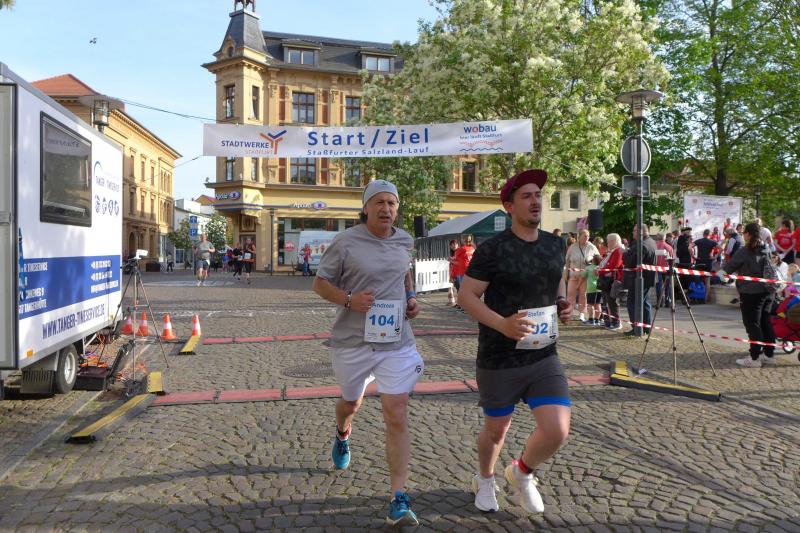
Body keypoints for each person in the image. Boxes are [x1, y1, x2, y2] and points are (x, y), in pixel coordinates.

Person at [458, 169, 572, 515]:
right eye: (526, 196)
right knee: (496, 431)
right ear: (509, 206)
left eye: (538, 195)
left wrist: (562, 303)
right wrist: (502, 325)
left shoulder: (555, 244)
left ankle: (521, 472)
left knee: (557, 430)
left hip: (543, 354)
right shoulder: (493, 249)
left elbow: (556, 279)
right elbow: (466, 296)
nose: (535, 201)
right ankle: (485, 478)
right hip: (500, 356)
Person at [312, 179, 423, 526]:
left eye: (392, 203)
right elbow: (320, 283)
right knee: (351, 403)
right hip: (353, 341)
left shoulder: (405, 240)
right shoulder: (345, 242)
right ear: (365, 208)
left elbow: (405, 274)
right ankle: (343, 433)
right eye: (379, 202)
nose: (386, 208)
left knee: (396, 411)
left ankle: (398, 498)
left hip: (395, 340)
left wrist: (410, 298)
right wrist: (349, 300)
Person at [719, 222, 777, 367]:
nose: (743, 235)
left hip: (751, 292)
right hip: (768, 291)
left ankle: (754, 358)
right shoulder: (766, 248)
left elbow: (729, 267)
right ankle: (768, 355)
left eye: (744, 233)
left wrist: (719, 274)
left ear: (748, 234)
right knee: (765, 322)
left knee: (752, 324)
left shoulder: (745, 251)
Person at [622, 224, 657, 337]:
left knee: (632, 303)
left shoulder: (642, 244)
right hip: (648, 278)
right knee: (645, 303)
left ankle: (637, 328)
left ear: (640, 232)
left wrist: (624, 253)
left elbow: (631, 262)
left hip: (639, 279)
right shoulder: (651, 241)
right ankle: (646, 328)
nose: (633, 233)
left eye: (634, 231)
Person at [565, 229, 599, 323]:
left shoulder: (592, 247)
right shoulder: (572, 247)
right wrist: (566, 273)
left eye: (588, 236)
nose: (587, 238)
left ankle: (582, 314)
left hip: (586, 276)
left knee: (583, 295)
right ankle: (569, 313)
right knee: (570, 295)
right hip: (573, 275)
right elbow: (567, 260)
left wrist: (593, 266)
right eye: (585, 236)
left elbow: (599, 259)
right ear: (579, 237)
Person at [598, 233, 624, 330]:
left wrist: (600, 271)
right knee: (606, 301)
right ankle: (609, 321)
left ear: (613, 241)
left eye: (608, 242)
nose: (607, 243)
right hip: (607, 279)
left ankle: (616, 322)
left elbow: (614, 265)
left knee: (612, 302)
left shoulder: (618, 251)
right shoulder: (612, 251)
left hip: (613, 280)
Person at [653, 233, 674, 308]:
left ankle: (660, 303)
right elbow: (672, 258)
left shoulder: (654, 246)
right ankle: (668, 302)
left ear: (657, 238)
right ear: (665, 238)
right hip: (667, 269)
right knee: (668, 286)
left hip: (658, 268)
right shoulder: (669, 247)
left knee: (659, 286)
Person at [584, 255, 603, 325]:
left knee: (590, 304)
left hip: (591, 288)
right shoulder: (601, 267)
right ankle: (597, 320)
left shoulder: (588, 268)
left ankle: (591, 320)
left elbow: (583, 275)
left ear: (593, 260)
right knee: (598, 304)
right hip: (599, 288)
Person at [447, 239, 459, 306]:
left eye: (455, 244)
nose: (454, 246)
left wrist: (451, 260)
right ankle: (459, 303)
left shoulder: (459, 252)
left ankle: (461, 304)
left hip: (459, 273)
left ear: (458, 244)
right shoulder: (453, 253)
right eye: (452, 245)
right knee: (457, 288)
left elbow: (459, 263)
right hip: (454, 273)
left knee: (459, 288)